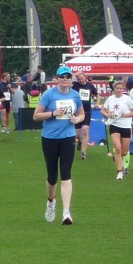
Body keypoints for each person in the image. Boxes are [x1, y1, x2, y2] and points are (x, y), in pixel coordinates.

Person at [33, 65, 84, 225]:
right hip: (50, 138)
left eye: (68, 76)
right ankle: (51, 201)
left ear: (71, 79)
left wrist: (78, 119)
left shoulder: (75, 95)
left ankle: (66, 213)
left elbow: (82, 114)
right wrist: (53, 113)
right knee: (52, 176)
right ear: (57, 78)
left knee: (66, 174)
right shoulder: (49, 95)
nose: (65, 79)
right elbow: (36, 116)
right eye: (62, 76)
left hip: (68, 138)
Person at [101, 80, 133, 180]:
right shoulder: (110, 99)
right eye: (117, 88)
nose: (119, 90)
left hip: (126, 126)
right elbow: (102, 110)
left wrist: (127, 115)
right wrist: (107, 114)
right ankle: (119, 172)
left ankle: (117, 157)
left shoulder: (127, 99)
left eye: (121, 88)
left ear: (123, 89)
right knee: (117, 148)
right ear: (114, 89)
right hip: (114, 125)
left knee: (124, 152)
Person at [72, 71, 99, 160]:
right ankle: (79, 141)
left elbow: (97, 95)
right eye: (78, 79)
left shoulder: (90, 86)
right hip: (77, 112)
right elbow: (69, 81)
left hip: (87, 111)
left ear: (85, 77)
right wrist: (75, 75)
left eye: (82, 78)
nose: (80, 80)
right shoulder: (75, 85)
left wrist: (97, 104)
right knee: (77, 134)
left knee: (85, 130)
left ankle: (83, 152)